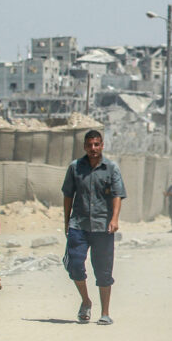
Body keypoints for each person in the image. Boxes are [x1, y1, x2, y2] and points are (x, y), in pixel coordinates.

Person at [62, 130, 127, 325]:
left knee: (104, 271)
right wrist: (66, 221)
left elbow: (117, 195)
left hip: (103, 226)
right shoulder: (75, 168)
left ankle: (105, 312)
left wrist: (114, 219)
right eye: (90, 145)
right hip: (78, 224)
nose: (93, 148)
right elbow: (68, 195)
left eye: (97, 144)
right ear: (84, 146)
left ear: (102, 145)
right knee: (74, 264)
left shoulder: (111, 168)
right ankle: (86, 301)